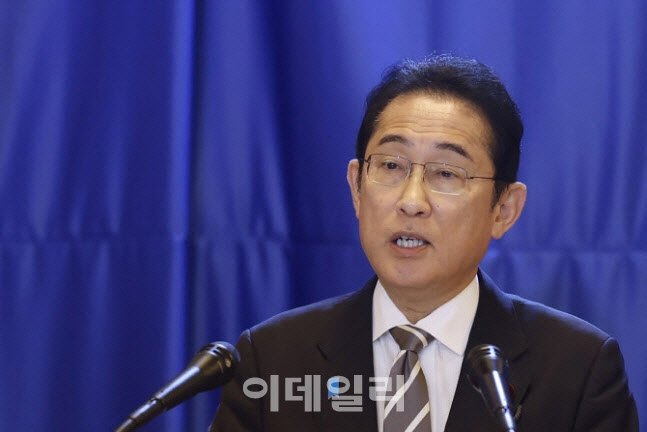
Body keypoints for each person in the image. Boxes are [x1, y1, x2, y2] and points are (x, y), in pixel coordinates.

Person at [209, 55, 638, 431]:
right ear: (357, 188)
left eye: (446, 173)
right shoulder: (273, 359)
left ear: (504, 209)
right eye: (391, 165)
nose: (412, 201)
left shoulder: (578, 368)